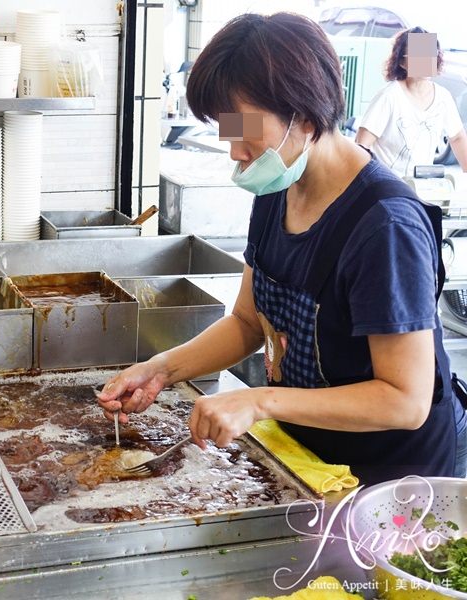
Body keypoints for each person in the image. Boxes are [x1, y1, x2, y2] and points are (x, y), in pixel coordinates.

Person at [97, 13, 467, 488]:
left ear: (307, 117)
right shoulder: (277, 189)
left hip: (390, 480)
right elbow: (250, 323)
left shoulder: (384, 225)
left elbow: (405, 399)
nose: (235, 152)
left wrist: (258, 401)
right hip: (309, 457)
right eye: (226, 130)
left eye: (245, 131)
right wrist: (160, 370)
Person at [355, 26, 467, 177]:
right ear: (402, 62)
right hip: (390, 187)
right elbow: (361, 146)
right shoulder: (389, 97)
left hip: (423, 185)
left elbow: (458, 137)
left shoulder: (443, 97)